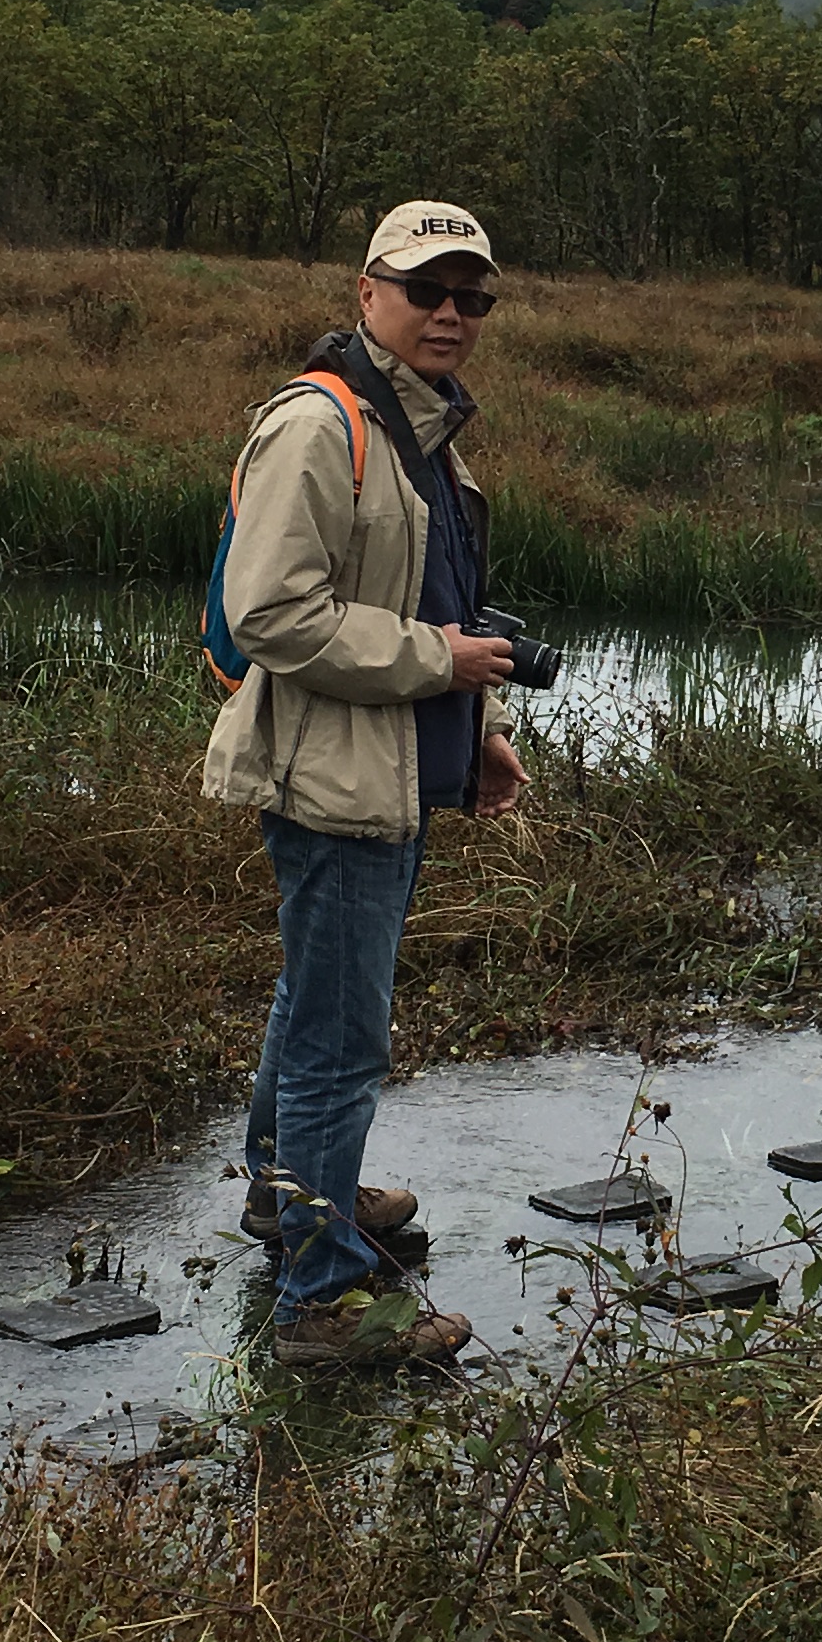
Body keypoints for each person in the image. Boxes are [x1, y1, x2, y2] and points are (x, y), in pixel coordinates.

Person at [204, 199, 526, 1372]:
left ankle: (278, 1200)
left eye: (470, 297)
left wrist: (471, 723)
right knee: (343, 1039)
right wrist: (443, 664)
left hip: (389, 761)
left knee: (313, 998)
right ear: (367, 291)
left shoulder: (419, 429)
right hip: (335, 778)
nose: (449, 313)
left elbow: (427, 595)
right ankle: (323, 1304)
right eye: (425, 289)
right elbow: (272, 614)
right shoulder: (320, 424)